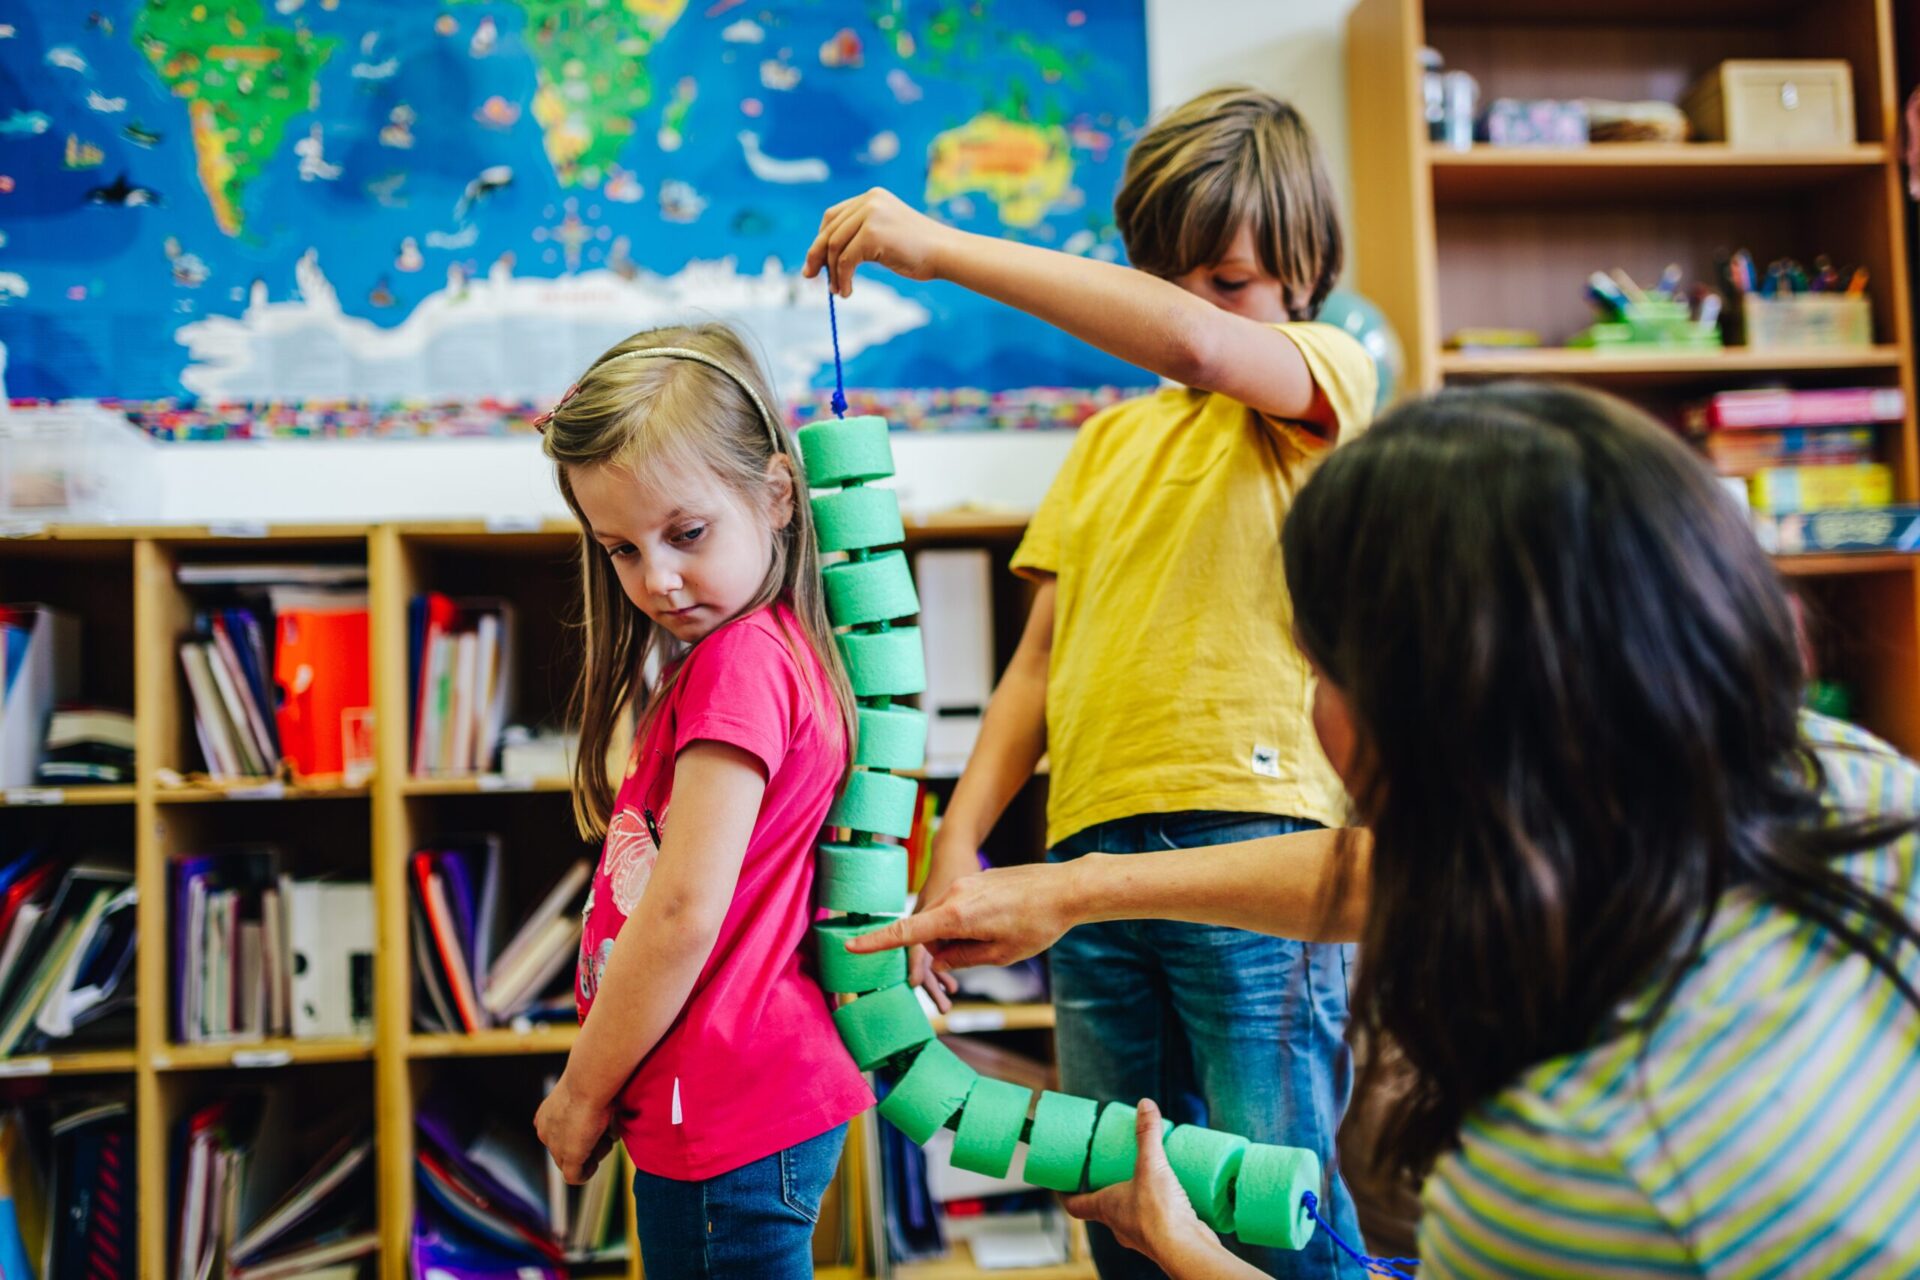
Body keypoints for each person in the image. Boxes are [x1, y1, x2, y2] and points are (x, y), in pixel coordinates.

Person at [851, 382, 1920, 1278]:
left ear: (1409, 715)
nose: (1309, 692)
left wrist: (1185, 1246)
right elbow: (1393, 871)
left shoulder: (1568, 1163)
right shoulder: (1852, 781)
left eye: (1314, 658)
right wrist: (1070, 887)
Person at [806, 86, 1377, 1278]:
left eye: (1226, 279)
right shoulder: (1108, 446)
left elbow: (1198, 347)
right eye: (1167, 276)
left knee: (1272, 1198)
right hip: (1089, 867)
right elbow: (1036, 666)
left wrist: (941, 248)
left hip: (1255, 850)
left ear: (1305, 273)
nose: (1193, 308)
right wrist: (957, 837)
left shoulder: (1323, 383)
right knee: (1121, 1200)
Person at [532, 324, 870, 1278]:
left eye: (685, 535)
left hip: (724, 1109)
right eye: (621, 550)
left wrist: (579, 1093)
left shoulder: (739, 666)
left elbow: (681, 915)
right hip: (725, 1104)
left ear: (774, 495)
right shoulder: (763, 650)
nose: (657, 579)